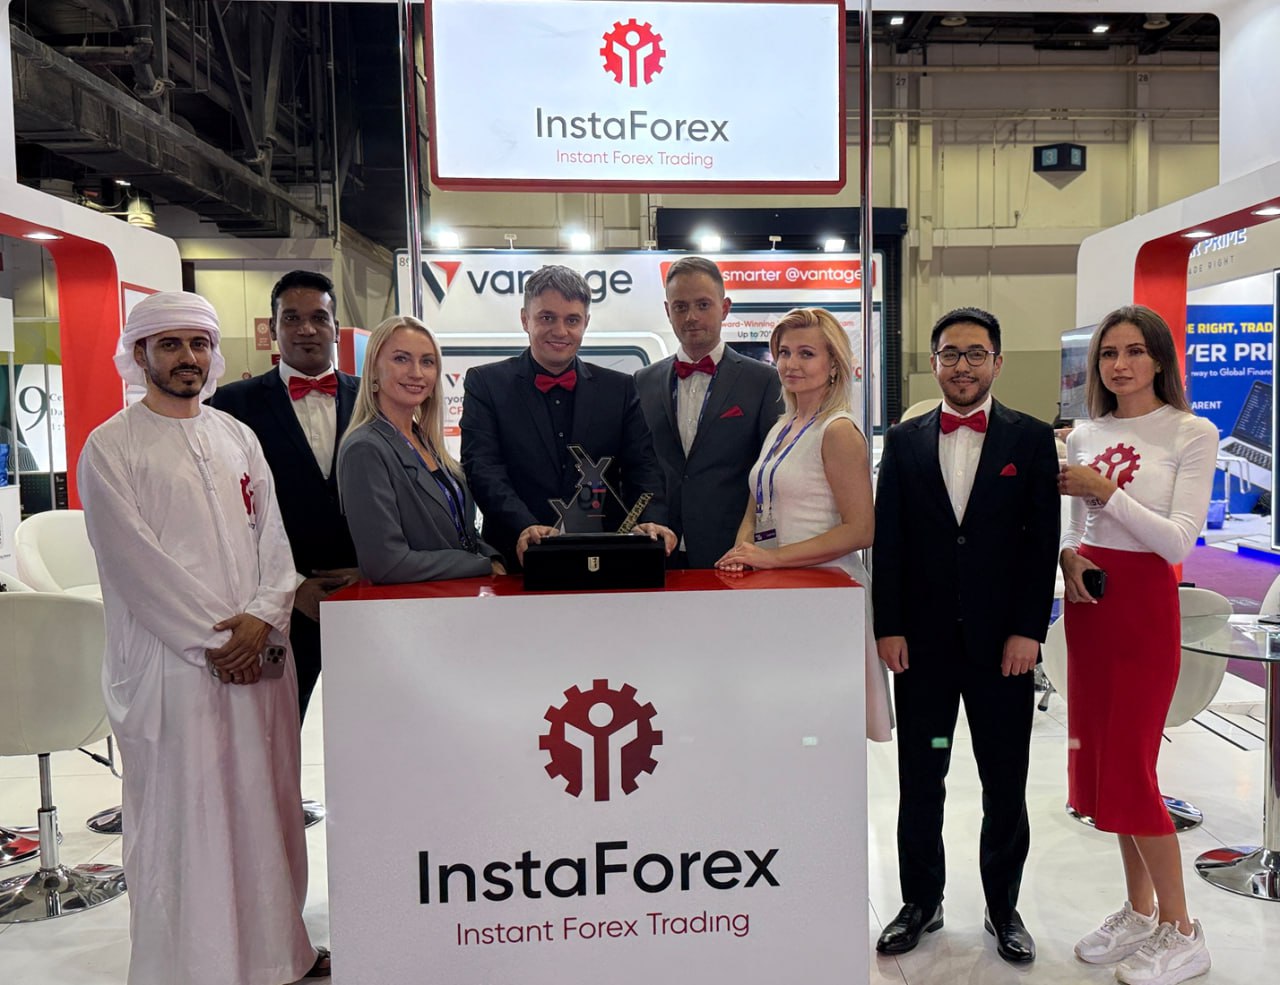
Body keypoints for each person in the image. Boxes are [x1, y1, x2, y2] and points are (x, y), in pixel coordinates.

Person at [78, 291, 328, 984]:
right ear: (140, 354)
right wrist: (217, 641)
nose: (188, 357)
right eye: (171, 344)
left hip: (259, 657)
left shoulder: (236, 436)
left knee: (265, 807)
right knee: (188, 816)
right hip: (174, 669)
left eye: (198, 344)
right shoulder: (110, 446)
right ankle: (195, 965)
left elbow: (273, 541)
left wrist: (262, 616)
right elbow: (134, 564)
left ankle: (279, 954)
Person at [872, 306, 1059, 964]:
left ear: (997, 363)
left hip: (1002, 649)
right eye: (950, 354)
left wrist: (1028, 631)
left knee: (1004, 784)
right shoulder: (903, 441)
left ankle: (1003, 908)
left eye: (976, 353)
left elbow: (1041, 544)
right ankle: (921, 902)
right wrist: (889, 626)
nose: (962, 365)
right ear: (934, 363)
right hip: (921, 648)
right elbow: (889, 540)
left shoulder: (1031, 440)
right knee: (921, 780)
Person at [1059, 305, 1216, 985]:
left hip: (1145, 608)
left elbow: (1178, 541)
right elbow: (1075, 526)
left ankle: (1183, 930)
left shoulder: (1190, 431)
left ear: (1159, 359)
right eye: (1108, 353)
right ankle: (1140, 909)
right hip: (1090, 605)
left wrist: (1107, 491)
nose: (1119, 365)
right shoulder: (1085, 433)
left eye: (1133, 351)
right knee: (1103, 769)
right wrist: (1068, 557)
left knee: (1131, 768)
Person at [714, 308, 890, 740]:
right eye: (784, 352)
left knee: (826, 730)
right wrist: (743, 552)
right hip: (782, 591)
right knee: (785, 726)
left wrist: (772, 559)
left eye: (806, 353)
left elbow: (861, 530)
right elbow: (758, 501)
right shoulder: (781, 426)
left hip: (828, 594)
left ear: (834, 365)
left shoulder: (838, 431)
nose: (791, 363)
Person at [210, 270, 359, 721]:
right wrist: (293, 588)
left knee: (374, 730)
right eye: (291, 318)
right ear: (273, 328)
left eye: (319, 318)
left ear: (336, 327)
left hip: (364, 595)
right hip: (279, 604)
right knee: (274, 733)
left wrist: (370, 574)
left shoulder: (373, 398)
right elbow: (227, 514)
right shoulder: (230, 406)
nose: (306, 329)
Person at [461, 264, 673, 567]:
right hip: (516, 560)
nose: (560, 331)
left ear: (586, 322)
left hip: (605, 558)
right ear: (525, 319)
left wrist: (650, 520)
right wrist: (524, 526)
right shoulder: (486, 384)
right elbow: (483, 468)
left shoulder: (620, 388)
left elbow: (643, 467)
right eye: (547, 317)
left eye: (572, 320)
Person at [635, 256, 782, 568]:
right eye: (680, 306)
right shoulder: (642, 381)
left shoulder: (763, 381)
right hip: (658, 549)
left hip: (733, 550)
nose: (691, 316)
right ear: (667, 311)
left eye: (703, 305)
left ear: (724, 308)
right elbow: (638, 465)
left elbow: (770, 470)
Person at [338, 315, 504, 583]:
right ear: (373, 369)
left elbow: (461, 535)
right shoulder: (365, 449)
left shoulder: (425, 440)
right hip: (412, 605)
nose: (416, 372)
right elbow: (386, 564)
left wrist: (494, 557)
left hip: (453, 598)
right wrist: (480, 565)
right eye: (401, 359)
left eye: (427, 361)